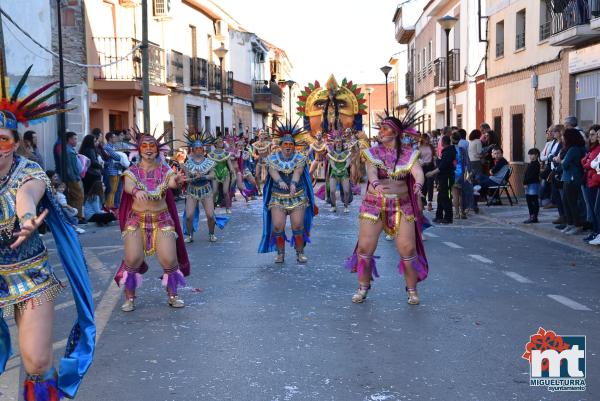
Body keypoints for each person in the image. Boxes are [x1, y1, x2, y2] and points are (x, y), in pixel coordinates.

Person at [0, 69, 95, 400]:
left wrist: (26, 219)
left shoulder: (29, 170)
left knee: (38, 361)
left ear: (15, 142)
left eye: (3, 139)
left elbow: (27, 195)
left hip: (29, 275)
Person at [346, 111, 427, 305]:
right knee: (365, 247)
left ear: (396, 132)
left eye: (385, 128)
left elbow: (418, 172)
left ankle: (412, 290)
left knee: (407, 249)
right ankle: (363, 287)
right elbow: (372, 171)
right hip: (374, 204)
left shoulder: (409, 154)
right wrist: (375, 184)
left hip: (402, 205)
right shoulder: (373, 153)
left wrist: (418, 184)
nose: (380, 132)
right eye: (380, 128)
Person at [113, 130, 190, 312]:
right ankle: (130, 298)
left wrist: (177, 180)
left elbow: (171, 182)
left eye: (152, 146)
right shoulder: (132, 171)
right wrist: (136, 192)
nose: (148, 149)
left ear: (158, 149)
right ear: (138, 149)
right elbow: (128, 186)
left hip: (162, 219)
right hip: (137, 221)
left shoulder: (165, 169)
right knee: (133, 259)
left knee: (169, 259)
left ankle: (173, 295)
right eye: (144, 146)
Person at [258, 120, 316, 264]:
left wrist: (293, 184)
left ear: (294, 146)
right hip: (278, 196)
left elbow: (298, 171)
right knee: (277, 225)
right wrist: (280, 181)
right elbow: (272, 171)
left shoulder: (300, 158)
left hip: (297, 195)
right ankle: (280, 253)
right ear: (281, 145)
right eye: (286, 144)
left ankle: (300, 252)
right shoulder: (272, 158)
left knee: (297, 225)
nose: (288, 147)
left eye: (291, 145)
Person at [182, 132, 224, 243]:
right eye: (196, 148)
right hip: (192, 190)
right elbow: (185, 179)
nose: (199, 150)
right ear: (193, 149)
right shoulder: (187, 163)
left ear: (203, 149)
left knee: (210, 215)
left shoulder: (209, 162)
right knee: (188, 216)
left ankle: (211, 234)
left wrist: (203, 176)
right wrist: (192, 178)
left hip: (206, 190)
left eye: (201, 148)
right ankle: (190, 235)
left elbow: (213, 176)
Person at [556, 128, 586, 235]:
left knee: (572, 203)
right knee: (566, 202)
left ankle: (577, 225)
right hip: (567, 178)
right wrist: (562, 160)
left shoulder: (574, 149)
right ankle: (570, 223)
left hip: (573, 178)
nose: (562, 138)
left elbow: (564, 163)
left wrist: (560, 160)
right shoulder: (569, 148)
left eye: (564, 136)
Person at [427, 135, 456, 223]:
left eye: (440, 141)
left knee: (446, 197)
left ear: (443, 142)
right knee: (440, 197)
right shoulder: (447, 151)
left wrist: (432, 173)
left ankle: (448, 217)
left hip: (447, 178)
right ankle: (439, 216)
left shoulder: (448, 152)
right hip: (443, 178)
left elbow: (443, 166)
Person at [208, 135, 235, 214]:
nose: (221, 143)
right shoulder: (211, 154)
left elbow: (229, 164)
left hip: (225, 173)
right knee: (215, 191)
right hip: (215, 173)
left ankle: (227, 207)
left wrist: (232, 172)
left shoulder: (226, 153)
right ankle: (212, 208)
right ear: (215, 144)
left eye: (221, 141)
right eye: (219, 141)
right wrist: (210, 172)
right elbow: (210, 166)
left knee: (225, 191)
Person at [63, 131, 86, 223]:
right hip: (74, 179)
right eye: (74, 138)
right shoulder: (69, 151)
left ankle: (74, 216)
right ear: (69, 139)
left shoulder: (70, 150)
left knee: (74, 198)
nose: (76, 141)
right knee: (78, 197)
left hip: (75, 177)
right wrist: (75, 178)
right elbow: (71, 168)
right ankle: (78, 217)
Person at [582, 125, 600, 243]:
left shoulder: (597, 149)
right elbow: (584, 162)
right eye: (592, 135)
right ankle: (595, 232)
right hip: (590, 180)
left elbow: (590, 164)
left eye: (595, 135)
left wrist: (592, 173)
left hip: (594, 181)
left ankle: (597, 232)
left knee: (596, 209)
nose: (593, 137)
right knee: (594, 209)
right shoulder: (591, 148)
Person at [327, 130, 352, 213]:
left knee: (346, 191)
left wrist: (344, 167)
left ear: (342, 143)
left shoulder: (346, 152)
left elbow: (348, 162)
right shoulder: (331, 153)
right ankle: (333, 206)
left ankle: (346, 206)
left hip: (344, 172)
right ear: (334, 143)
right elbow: (332, 163)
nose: (338, 143)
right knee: (332, 191)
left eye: (339, 142)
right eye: (336, 142)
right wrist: (336, 169)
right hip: (334, 172)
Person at [103, 131, 123, 210]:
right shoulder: (107, 147)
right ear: (110, 138)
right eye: (114, 137)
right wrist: (122, 156)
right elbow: (117, 157)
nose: (115, 138)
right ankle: (109, 206)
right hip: (111, 171)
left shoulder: (113, 147)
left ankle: (112, 206)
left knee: (115, 190)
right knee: (111, 190)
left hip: (117, 170)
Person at [79, 134, 103, 199]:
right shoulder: (90, 149)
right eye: (94, 141)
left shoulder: (84, 149)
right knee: (94, 193)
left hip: (87, 174)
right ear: (90, 142)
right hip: (92, 174)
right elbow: (93, 162)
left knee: (87, 192)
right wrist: (101, 166)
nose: (96, 143)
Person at [523, 148, 541, 224]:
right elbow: (526, 174)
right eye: (529, 154)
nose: (530, 156)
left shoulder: (536, 164)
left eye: (532, 154)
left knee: (533, 201)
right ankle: (531, 216)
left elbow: (532, 176)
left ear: (536, 155)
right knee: (529, 201)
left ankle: (534, 217)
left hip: (533, 184)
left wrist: (526, 182)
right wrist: (525, 182)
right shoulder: (530, 163)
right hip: (528, 184)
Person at [419, 133, 436, 211]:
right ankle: (422, 202)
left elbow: (434, 155)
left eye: (428, 139)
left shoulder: (431, 147)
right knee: (423, 185)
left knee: (430, 185)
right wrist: (422, 162)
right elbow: (416, 159)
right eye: (425, 139)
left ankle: (429, 203)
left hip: (430, 166)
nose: (427, 141)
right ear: (422, 139)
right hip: (422, 167)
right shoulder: (418, 148)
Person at [252, 129, 271, 195]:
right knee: (256, 176)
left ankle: (266, 190)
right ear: (258, 135)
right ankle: (259, 190)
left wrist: (268, 158)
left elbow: (269, 153)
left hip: (266, 161)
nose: (262, 135)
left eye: (263, 134)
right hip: (259, 161)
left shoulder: (267, 143)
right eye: (261, 134)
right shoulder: (255, 144)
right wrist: (256, 156)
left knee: (265, 178)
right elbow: (253, 153)